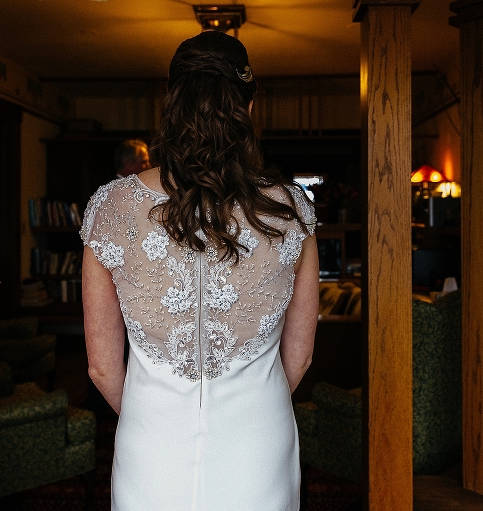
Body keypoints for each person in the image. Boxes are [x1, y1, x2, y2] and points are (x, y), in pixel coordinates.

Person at [80, 30, 318, 511]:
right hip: (259, 440)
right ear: (248, 109)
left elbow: (103, 367)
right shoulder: (290, 210)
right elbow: (300, 357)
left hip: (150, 443)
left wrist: (156, 418)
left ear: (172, 105)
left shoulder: (113, 207)